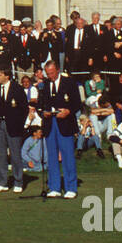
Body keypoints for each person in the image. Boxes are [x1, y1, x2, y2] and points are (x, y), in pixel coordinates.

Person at [37, 60, 82, 198]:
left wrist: (68, 111)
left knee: (68, 155)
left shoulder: (69, 83)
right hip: (50, 124)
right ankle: (54, 187)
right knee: (51, 157)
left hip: (65, 123)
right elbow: (40, 105)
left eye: (52, 73)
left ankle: (71, 188)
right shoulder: (44, 85)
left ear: (57, 70)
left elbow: (77, 103)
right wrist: (43, 112)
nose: (50, 76)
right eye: (48, 73)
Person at [0, 66, 30, 193]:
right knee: (0, 154)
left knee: (15, 154)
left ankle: (18, 181)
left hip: (13, 125)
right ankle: (3, 182)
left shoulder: (17, 89)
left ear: (7, 76)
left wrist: (20, 124)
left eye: (0, 75)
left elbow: (24, 109)